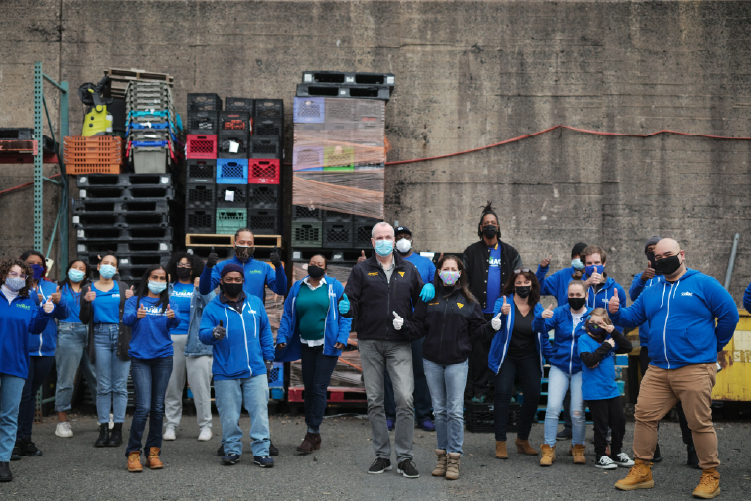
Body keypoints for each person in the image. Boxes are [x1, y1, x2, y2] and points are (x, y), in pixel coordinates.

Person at [610, 238, 739, 498]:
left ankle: (710, 475)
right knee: (644, 415)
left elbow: (730, 315)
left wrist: (713, 347)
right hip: (658, 368)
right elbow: (632, 317)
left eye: (667, 254)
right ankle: (642, 470)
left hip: (694, 367)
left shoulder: (703, 283)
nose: (662, 260)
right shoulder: (652, 287)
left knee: (698, 423)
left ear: (681, 254)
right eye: (657, 257)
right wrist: (615, 312)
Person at [339, 221, 425, 478]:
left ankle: (405, 458)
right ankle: (382, 456)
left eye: (389, 236)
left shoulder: (408, 269)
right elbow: (350, 301)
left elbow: (422, 302)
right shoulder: (360, 270)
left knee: (405, 399)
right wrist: (347, 310)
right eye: (380, 237)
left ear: (394, 240)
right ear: (373, 242)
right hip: (370, 342)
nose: (385, 240)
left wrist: (413, 324)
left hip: (400, 343)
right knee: (375, 401)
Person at [199, 228, 285, 457]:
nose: (245, 247)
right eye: (242, 243)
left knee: (258, 402)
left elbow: (282, 289)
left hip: (253, 329)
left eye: (249, 243)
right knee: (229, 402)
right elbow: (206, 288)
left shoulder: (263, 267)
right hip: (227, 320)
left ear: (254, 245)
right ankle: (230, 442)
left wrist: (279, 267)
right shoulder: (222, 266)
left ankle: (264, 442)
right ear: (234, 243)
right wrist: (208, 268)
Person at [408, 255, 493, 480]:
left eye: (453, 269)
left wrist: (492, 326)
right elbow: (418, 327)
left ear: (459, 273)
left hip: (457, 362)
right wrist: (403, 325)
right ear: (438, 272)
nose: (449, 272)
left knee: (454, 411)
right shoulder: (429, 297)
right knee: (440, 411)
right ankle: (442, 456)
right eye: (445, 268)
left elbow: (477, 332)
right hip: (432, 361)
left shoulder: (469, 301)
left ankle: (454, 458)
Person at [275, 254, 351, 455]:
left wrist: (343, 337)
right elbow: (289, 314)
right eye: (312, 263)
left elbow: (345, 314)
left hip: (327, 346)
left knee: (318, 388)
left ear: (326, 268)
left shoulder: (334, 287)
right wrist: (282, 335)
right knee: (308, 389)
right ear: (307, 266)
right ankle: (315, 434)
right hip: (305, 344)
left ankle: (311, 432)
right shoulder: (298, 287)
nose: (315, 266)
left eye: (320, 264)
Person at [630, 236, 695, 466]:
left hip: (681, 353)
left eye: (659, 253)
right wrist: (640, 281)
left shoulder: (684, 279)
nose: (656, 258)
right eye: (651, 253)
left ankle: (693, 451)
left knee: (685, 404)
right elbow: (633, 304)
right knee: (647, 404)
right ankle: (651, 451)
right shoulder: (645, 278)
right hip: (652, 349)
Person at [488, 269, 553, 460]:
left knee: (533, 394)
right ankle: (500, 441)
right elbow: (495, 322)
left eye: (527, 283)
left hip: (529, 356)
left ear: (532, 285)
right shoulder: (503, 302)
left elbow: (542, 334)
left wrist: (542, 320)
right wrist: (501, 313)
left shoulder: (537, 307)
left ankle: (522, 440)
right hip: (506, 356)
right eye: (519, 282)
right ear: (513, 284)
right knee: (503, 394)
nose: (523, 286)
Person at [0, 259, 54, 482]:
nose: (18, 277)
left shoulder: (28, 302)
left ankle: (3, 461)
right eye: (13, 273)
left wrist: (45, 312)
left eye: (22, 275)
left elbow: (35, 328)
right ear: (4, 274)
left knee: (9, 415)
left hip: (16, 364)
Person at [122, 265, 180, 472]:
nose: (158, 280)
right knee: (143, 408)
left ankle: (153, 452)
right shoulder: (134, 301)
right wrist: (135, 315)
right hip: (140, 358)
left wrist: (173, 317)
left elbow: (175, 323)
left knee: (157, 408)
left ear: (166, 281)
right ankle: (133, 453)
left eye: (162, 278)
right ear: (147, 279)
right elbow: (126, 320)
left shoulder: (169, 302)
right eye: (154, 277)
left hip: (163, 357)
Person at [11, 250, 68, 459]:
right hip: (24, 348)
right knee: (22, 395)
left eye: (39, 263)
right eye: (30, 263)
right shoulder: (16, 286)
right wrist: (35, 299)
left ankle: (26, 438)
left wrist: (60, 301)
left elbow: (65, 314)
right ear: (22, 264)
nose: (36, 266)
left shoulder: (52, 286)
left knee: (32, 395)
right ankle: (14, 440)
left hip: (46, 350)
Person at [463, 202, 522, 402]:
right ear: (481, 228)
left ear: (498, 227)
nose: (490, 225)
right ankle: (479, 392)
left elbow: (519, 282)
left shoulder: (510, 253)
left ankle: (504, 392)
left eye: (493, 223)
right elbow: (464, 282)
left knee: (503, 352)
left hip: (503, 313)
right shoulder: (470, 252)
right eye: (486, 222)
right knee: (479, 355)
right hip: (479, 314)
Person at [532, 279, 592, 466]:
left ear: (586, 296)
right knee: (552, 408)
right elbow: (538, 329)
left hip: (581, 369)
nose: (575, 298)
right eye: (571, 295)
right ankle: (548, 449)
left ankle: (578, 447)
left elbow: (603, 335)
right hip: (559, 367)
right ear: (567, 295)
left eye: (578, 295)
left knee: (576, 412)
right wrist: (540, 317)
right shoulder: (559, 312)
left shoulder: (592, 315)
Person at [79, 254, 135, 448]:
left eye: (113, 265)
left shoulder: (124, 288)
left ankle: (117, 429)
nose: (109, 267)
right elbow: (84, 319)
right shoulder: (88, 288)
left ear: (117, 270)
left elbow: (132, 316)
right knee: (103, 386)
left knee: (120, 386)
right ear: (98, 266)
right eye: (106, 263)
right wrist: (86, 301)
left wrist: (131, 301)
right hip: (100, 337)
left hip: (121, 336)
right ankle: (104, 428)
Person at [383, 226, 435, 432]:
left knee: (420, 371)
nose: (404, 240)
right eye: (400, 237)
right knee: (390, 372)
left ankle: (423, 415)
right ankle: (390, 415)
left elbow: (437, 287)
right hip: (391, 324)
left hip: (418, 324)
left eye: (407, 237)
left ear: (412, 240)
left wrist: (433, 286)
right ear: (394, 241)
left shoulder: (425, 263)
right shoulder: (386, 261)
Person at [535, 242, 588, 441]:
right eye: (576, 256)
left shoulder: (596, 278)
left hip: (584, 359)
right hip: (562, 353)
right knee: (556, 404)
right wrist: (542, 269)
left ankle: (582, 444)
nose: (579, 261)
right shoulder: (560, 279)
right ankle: (557, 439)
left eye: (582, 258)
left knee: (578, 407)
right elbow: (538, 288)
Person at [163, 253, 215, 443]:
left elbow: (212, 307)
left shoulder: (202, 286)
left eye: (187, 265)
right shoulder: (168, 287)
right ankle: (170, 425)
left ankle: (205, 426)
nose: (183, 268)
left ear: (194, 268)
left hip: (197, 341)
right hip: (170, 340)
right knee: (172, 385)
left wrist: (202, 288)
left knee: (200, 386)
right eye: (179, 264)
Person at [578, 308, 634, 469]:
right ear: (588, 323)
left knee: (619, 422)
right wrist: (606, 347)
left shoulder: (610, 338)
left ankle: (616, 453)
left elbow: (627, 347)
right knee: (601, 425)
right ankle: (600, 455)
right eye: (592, 323)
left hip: (611, 389)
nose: (595, 326)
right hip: (594, 391)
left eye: (600, 323)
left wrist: (613, 332)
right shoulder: (584, 339)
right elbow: (589, 360)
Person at [55, 259, 97, 439]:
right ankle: (62, 422)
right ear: (68, 270)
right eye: (74, 267)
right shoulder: (58, 288)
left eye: (82, 269)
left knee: (96, 376)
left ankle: (103, 416)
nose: (77, 271)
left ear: (86, 274)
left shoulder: (91, 289)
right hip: (67, 331)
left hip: (89, 333)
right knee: (66, 379)